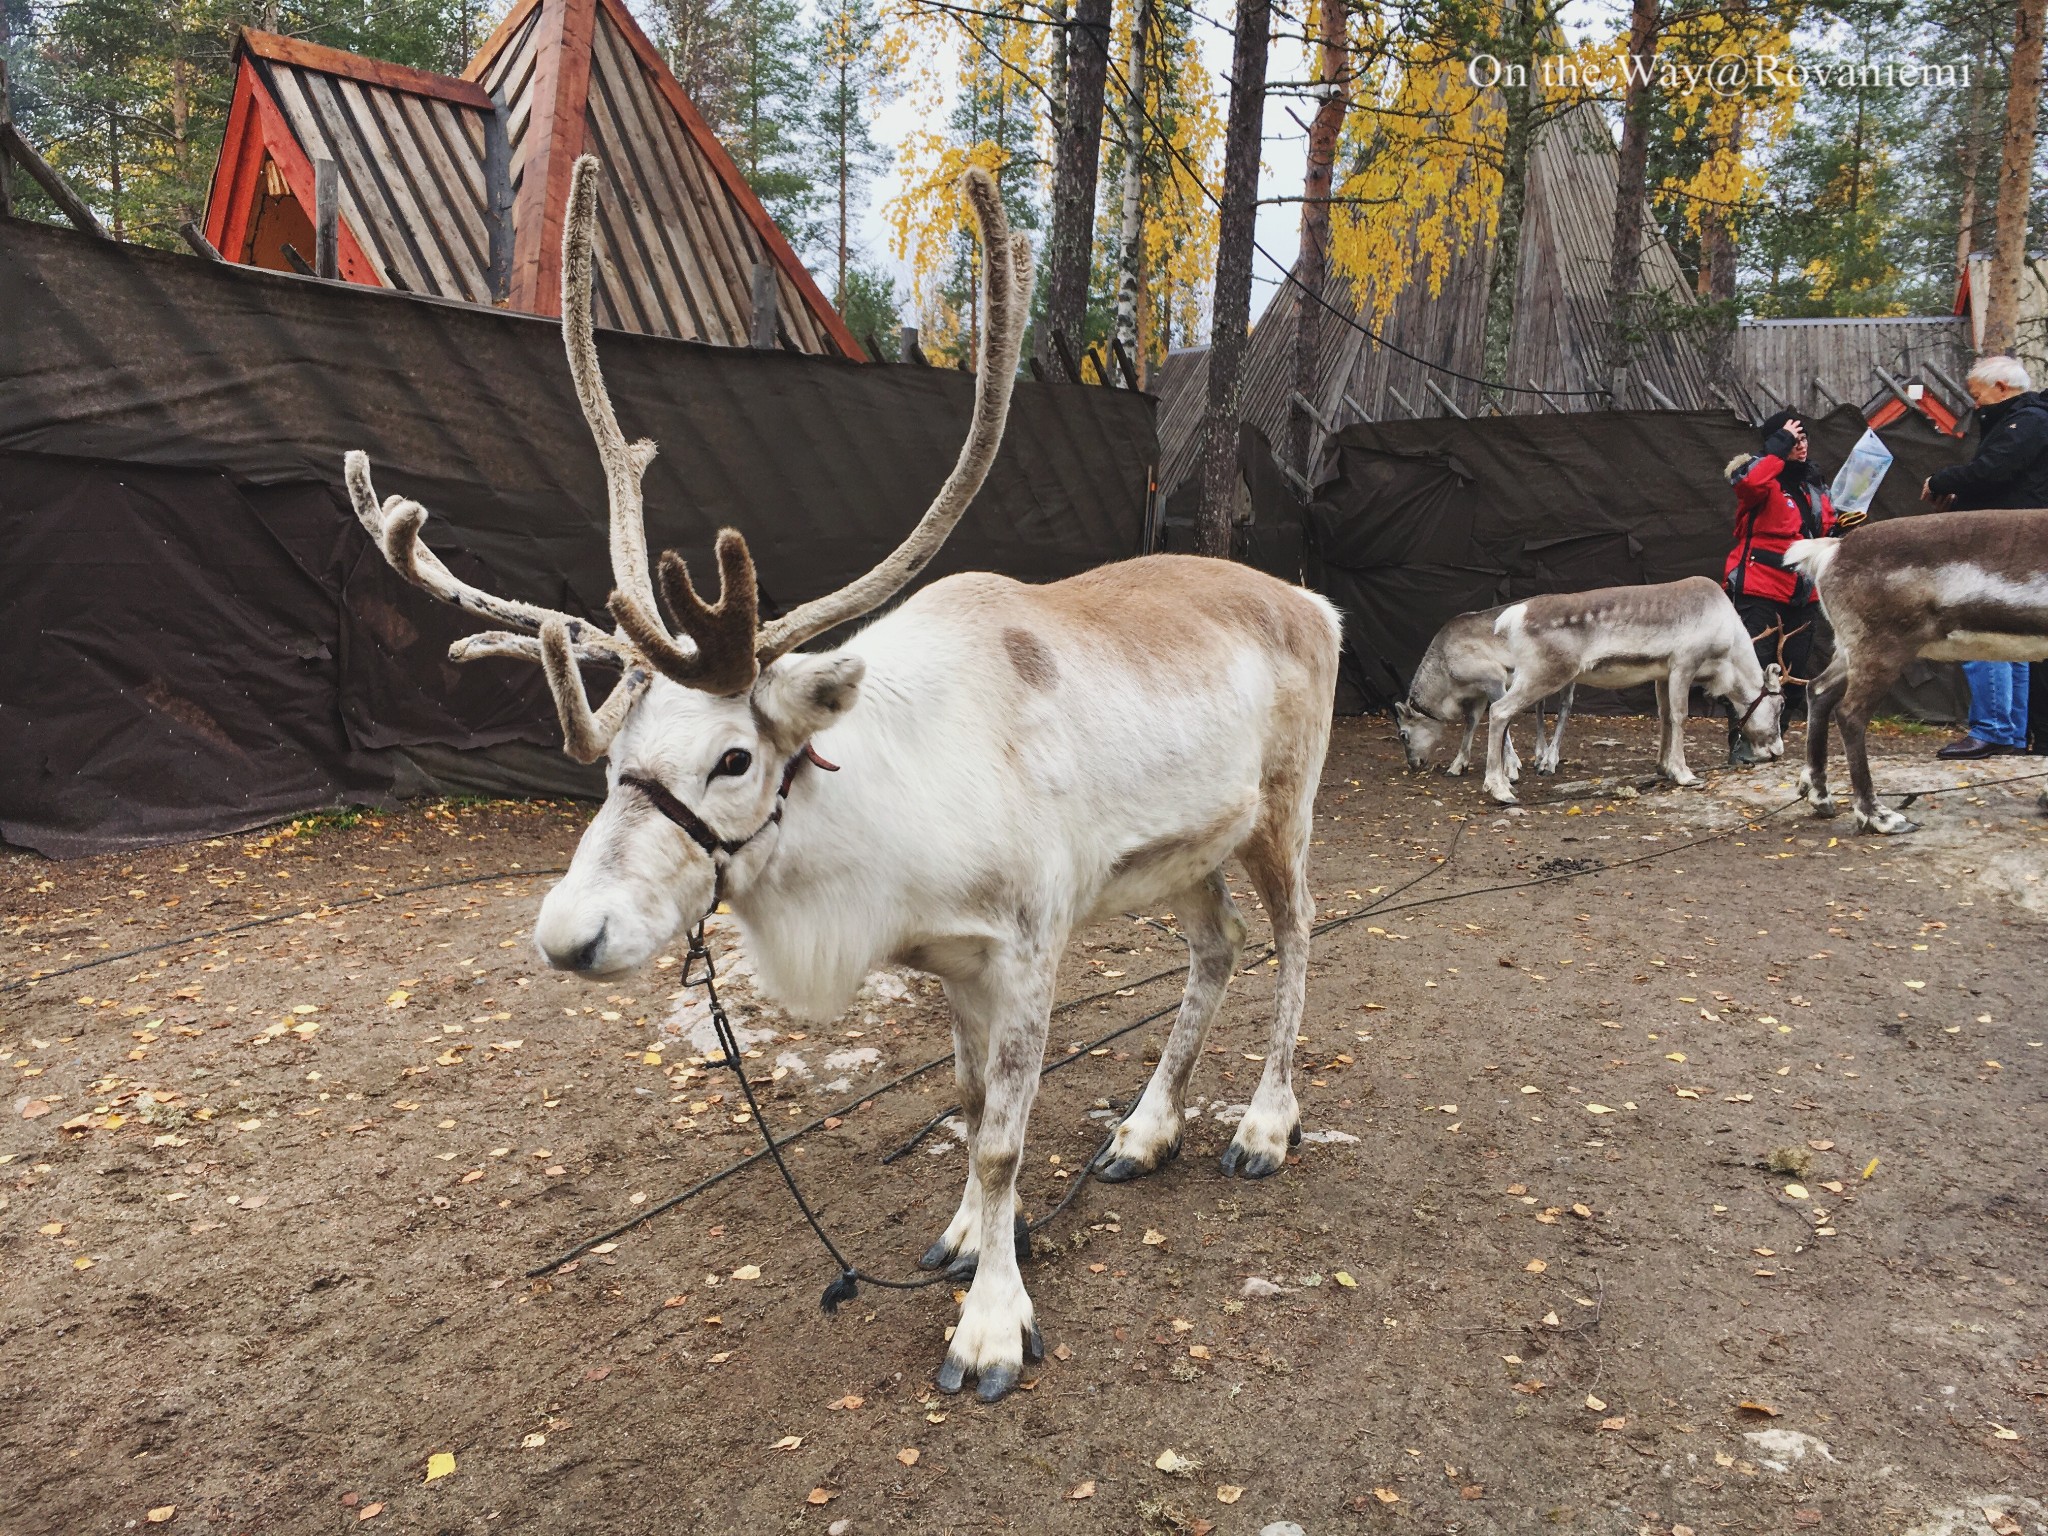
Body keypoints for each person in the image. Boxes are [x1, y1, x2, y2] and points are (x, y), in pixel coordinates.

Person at [1922, 354, 2048, 759]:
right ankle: (2009, 731)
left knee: (1979, 626)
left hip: (2001, 545)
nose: (1976, 405)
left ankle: (1993, 727)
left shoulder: (2027, 421)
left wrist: (1940, 479)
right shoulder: (2026, 421)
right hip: (2012, 544)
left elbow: (1993, 471)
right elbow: (2002, 480)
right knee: (2009, 637)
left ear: (2002, 388)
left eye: (1978, 396)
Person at [1722, 409, 1864, 761]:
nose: (1801, 446)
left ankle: (1772, 745)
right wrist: (1778, 446)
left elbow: (1820, 533)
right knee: (1752, 676)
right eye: (1792, 439)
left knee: (1793, 679)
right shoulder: (1757, 477)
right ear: (1777, 441)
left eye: (1803, 438)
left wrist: (1842, 527)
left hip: (1803, 593)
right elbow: (1750, 483)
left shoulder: (1813, 484)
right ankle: (1743, 750)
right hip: (1758, 591)